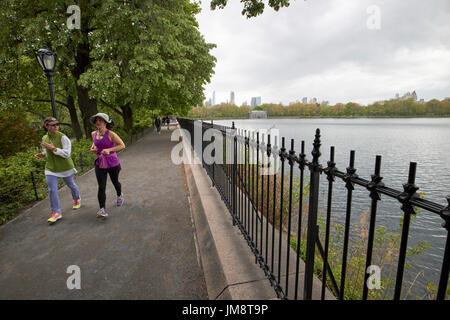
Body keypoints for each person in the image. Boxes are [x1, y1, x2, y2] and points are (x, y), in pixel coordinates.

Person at [34, 117, 81, 224]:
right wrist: (43, 154)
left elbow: (66, 154)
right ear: (46, 126)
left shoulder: (63, 138)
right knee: (52, 190)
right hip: (51, 168)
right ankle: (56, 212)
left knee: (71, 185)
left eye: (57, 124)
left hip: (64, 167)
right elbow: (47, 151)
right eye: (53, 125)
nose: (56, 126)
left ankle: (77, 198)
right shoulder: (44, 137)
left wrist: (54, 149)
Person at [89, 113, 125, 218]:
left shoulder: (111, 134)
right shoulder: (93, 134)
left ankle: (119, 195)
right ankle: (102, 209)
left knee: (115, 182)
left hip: (112, 162)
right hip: (100, 162)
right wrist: (93, 149)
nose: (98, 122)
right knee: (101, 186)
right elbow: (94, 144)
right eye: (96, 120)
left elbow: (122, 145)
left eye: (100, 120)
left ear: (105, 122)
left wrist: (109, 150)